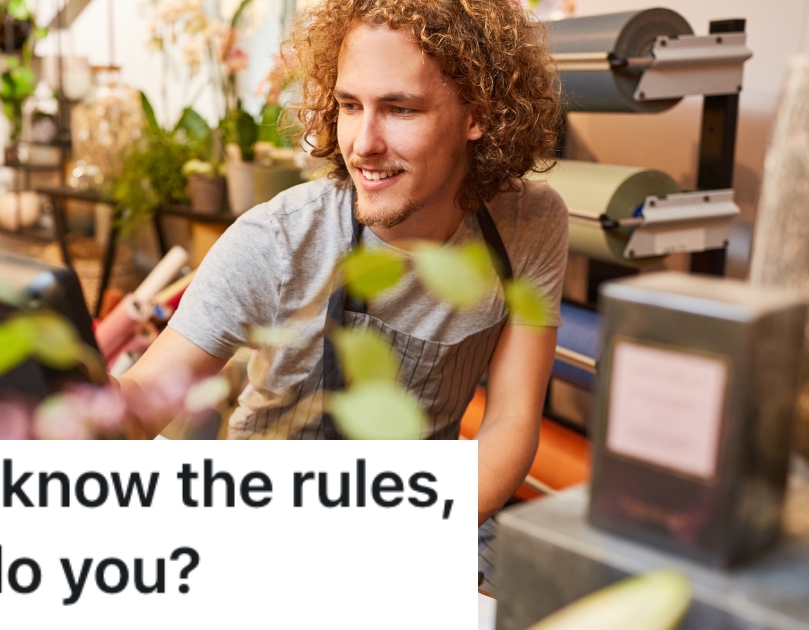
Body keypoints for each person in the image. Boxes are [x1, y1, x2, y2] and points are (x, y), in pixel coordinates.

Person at [118, 0, 566, 592]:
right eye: (350, 106)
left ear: (476, 116)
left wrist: (411, 542)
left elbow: (511, 420)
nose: (362, 143)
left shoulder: (527, 223)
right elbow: (142, 399)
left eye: (400, 109)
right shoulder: (278, 241)